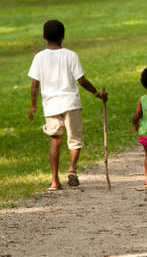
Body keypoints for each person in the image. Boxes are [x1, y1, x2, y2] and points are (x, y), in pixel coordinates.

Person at [28, 19, 107, 191]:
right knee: (75, 139)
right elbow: (82, 80)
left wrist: (33, 106)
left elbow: (35, 84)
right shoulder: (71, 55)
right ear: (63, 36)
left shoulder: (39, 57)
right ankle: (72, 168)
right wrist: (97, 94)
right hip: (71, 102)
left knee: (55, 140)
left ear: (43, 36)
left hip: (51, 105)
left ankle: (55, 181)